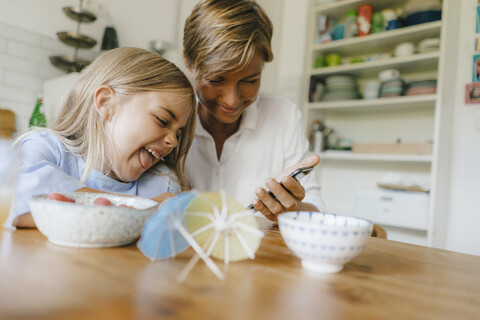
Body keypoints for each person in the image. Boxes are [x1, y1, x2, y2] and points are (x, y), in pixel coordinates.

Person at [6, 47, 196, 228]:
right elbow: (19, 205)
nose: (173, 141)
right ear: (106, 103)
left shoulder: (162, 183)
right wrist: (143, 208)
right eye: (162, 121)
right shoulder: (44, 147)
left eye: (179, 132)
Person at [182, 0, 325, 220]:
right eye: (216, 79)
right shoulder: (170, 121)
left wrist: (294, 210)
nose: (231, 100)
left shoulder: (283, 117)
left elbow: (317, 210)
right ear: (189, 63)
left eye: (249, 80)